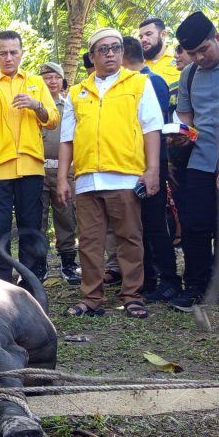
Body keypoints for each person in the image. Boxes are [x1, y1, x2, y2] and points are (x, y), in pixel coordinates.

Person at [57, 27, 162, 319]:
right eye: (103, 50)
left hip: (125, 174)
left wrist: (152, 170)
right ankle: (91, 298)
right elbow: (67, 139)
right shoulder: (77, 93)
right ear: (91, 56)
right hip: (87, 178)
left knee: (129, 237)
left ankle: (132, 296)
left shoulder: (138, 83)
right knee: (89, 241)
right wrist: (64, 178)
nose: (111, 54)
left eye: (115, 48)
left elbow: (151, 129)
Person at [169, 11, 219, 312]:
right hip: (202, 161)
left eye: (204, 50)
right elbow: (187, 121)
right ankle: (195, 287)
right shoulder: (189, 74)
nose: (199, 58)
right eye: (192, 54)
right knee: (196, 225)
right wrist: (181, 136)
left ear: (218, 37)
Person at [0, 30, 59, 287]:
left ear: (21, 53)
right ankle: (1, 284)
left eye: (13, 52)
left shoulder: (36, 83)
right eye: (3, 53)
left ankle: (29, 284)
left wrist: (36, 105)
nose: (9, 57)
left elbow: (52, 119)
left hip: (30, 167)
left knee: (30, 227)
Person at [120, 36, 182, 302]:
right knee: (137, 225)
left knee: (155, 224)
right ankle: (145, 278)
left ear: (123, 57)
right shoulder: (129, 83)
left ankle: (169, 279)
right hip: (130, 164)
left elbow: (153, 127)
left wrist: (155, 167)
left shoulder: (149, 82)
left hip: (150, 164)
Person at [38, 62, 80, 284]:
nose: (51, 82)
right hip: (38, 169)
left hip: (64, 169)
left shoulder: (69, 106)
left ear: (62, 81)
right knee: (38, 218)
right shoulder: (34, 106)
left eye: (55, 77)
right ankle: (39, 263)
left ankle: (68, 263)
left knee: (66, 217)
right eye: (47, 77)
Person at [138, 16, 182, 90]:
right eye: (141, 37)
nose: (143, 40)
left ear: (163, 34)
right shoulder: (138, 65)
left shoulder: (180, 59)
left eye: (148, 34)